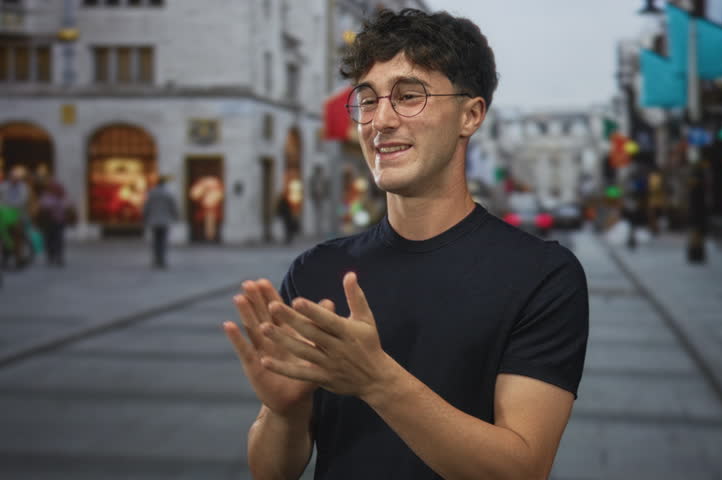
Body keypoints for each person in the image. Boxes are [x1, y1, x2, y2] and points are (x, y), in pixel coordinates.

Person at [223, 9, 589, 480]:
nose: (381, 120)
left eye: (408, 96)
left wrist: (376, 379)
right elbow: (271, 472)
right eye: (367, 100)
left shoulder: (542, 276)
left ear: (470, 115)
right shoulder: (318, 270)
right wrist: (284, 412)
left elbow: (521, 469)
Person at [35, 180, 75, 266]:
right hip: (48, 221)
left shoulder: (63, 197)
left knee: (59, 239)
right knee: (49, 239)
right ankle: (51, 256)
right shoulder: (46, 196)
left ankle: (59, 257)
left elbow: (69, 206)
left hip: (60, 221)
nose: (55, 190)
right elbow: (43, 206)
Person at [142, 175, 178, 268]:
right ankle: (162, 259)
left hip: (153, 220)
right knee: (163, 241)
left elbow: (146, 207)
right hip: (165, 220)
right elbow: (173, 207)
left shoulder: (151, 193)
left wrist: (145, 217)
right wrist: (175, 217)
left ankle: (156, 259)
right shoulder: (168, 193)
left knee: (155, 241)